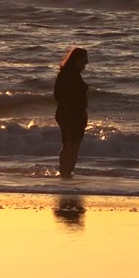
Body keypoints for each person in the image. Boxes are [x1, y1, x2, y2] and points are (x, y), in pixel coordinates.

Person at [54, 48, 89, 179]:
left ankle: (64, 172)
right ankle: (67, 173)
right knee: (74, 145)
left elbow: (57, 95)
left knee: (67, 144)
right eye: (84, 60)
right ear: (77, 60)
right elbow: (75, 98)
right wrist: (80, 112)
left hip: (62, 113)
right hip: (74, 115)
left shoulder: (62, 75)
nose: (86, 63)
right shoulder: (74, 77)